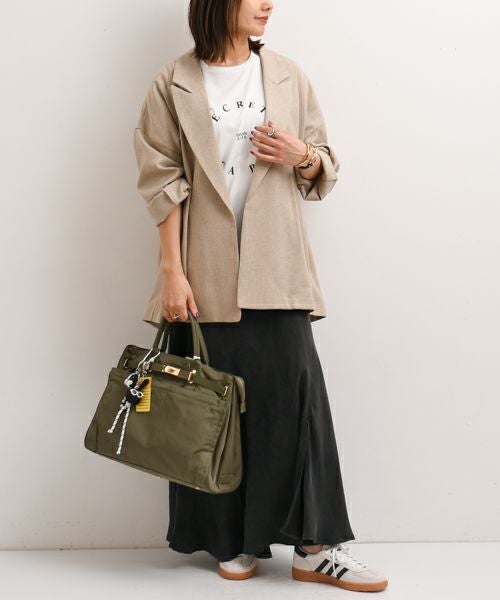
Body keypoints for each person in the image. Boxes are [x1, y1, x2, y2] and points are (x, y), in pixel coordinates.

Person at [133, 0, 388, 592]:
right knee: (213, 415)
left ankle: (314, 548)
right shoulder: (173, 82)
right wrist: (172, 271)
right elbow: (162, 181)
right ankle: (231, 541)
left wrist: (302, 156)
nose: (269, 3)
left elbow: (323, 167)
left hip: (278, 268)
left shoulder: (287, 76)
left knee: (297, 408)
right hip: (205, 270)